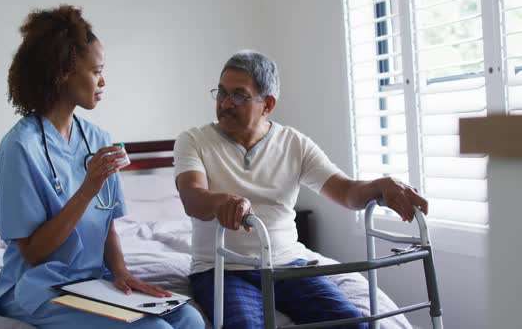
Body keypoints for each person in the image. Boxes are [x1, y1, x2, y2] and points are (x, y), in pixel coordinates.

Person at [174, 50, 428, 329]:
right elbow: (192, 197)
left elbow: (345, 192)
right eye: (221, 92)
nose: (224, 103)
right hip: (221, 268)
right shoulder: (193, 140)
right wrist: (221, 201)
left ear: (267, 104)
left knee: (355, 324)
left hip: (288, 264)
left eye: (238, 95)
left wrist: (382, 184)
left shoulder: (294, 143)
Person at [0, 5, 204, 329]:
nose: (103, 81)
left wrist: (121, 272)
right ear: (62, 72)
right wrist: (88, 189)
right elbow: (33, 254)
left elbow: (107, 224)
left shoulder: (97, 139)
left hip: (91, 282)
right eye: (95, 71)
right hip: (38, 288)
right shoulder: (20, 149)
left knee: (189, 318)